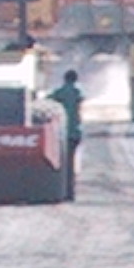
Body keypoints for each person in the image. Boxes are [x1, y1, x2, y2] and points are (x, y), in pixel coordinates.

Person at [48, 69, 83, 198]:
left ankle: (63, 191)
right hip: (75, 132)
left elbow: (48, 102)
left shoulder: (59, 92)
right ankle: (71, 192)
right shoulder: (77, 92)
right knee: (72, 162)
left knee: (63, 163)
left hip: (62, 133)